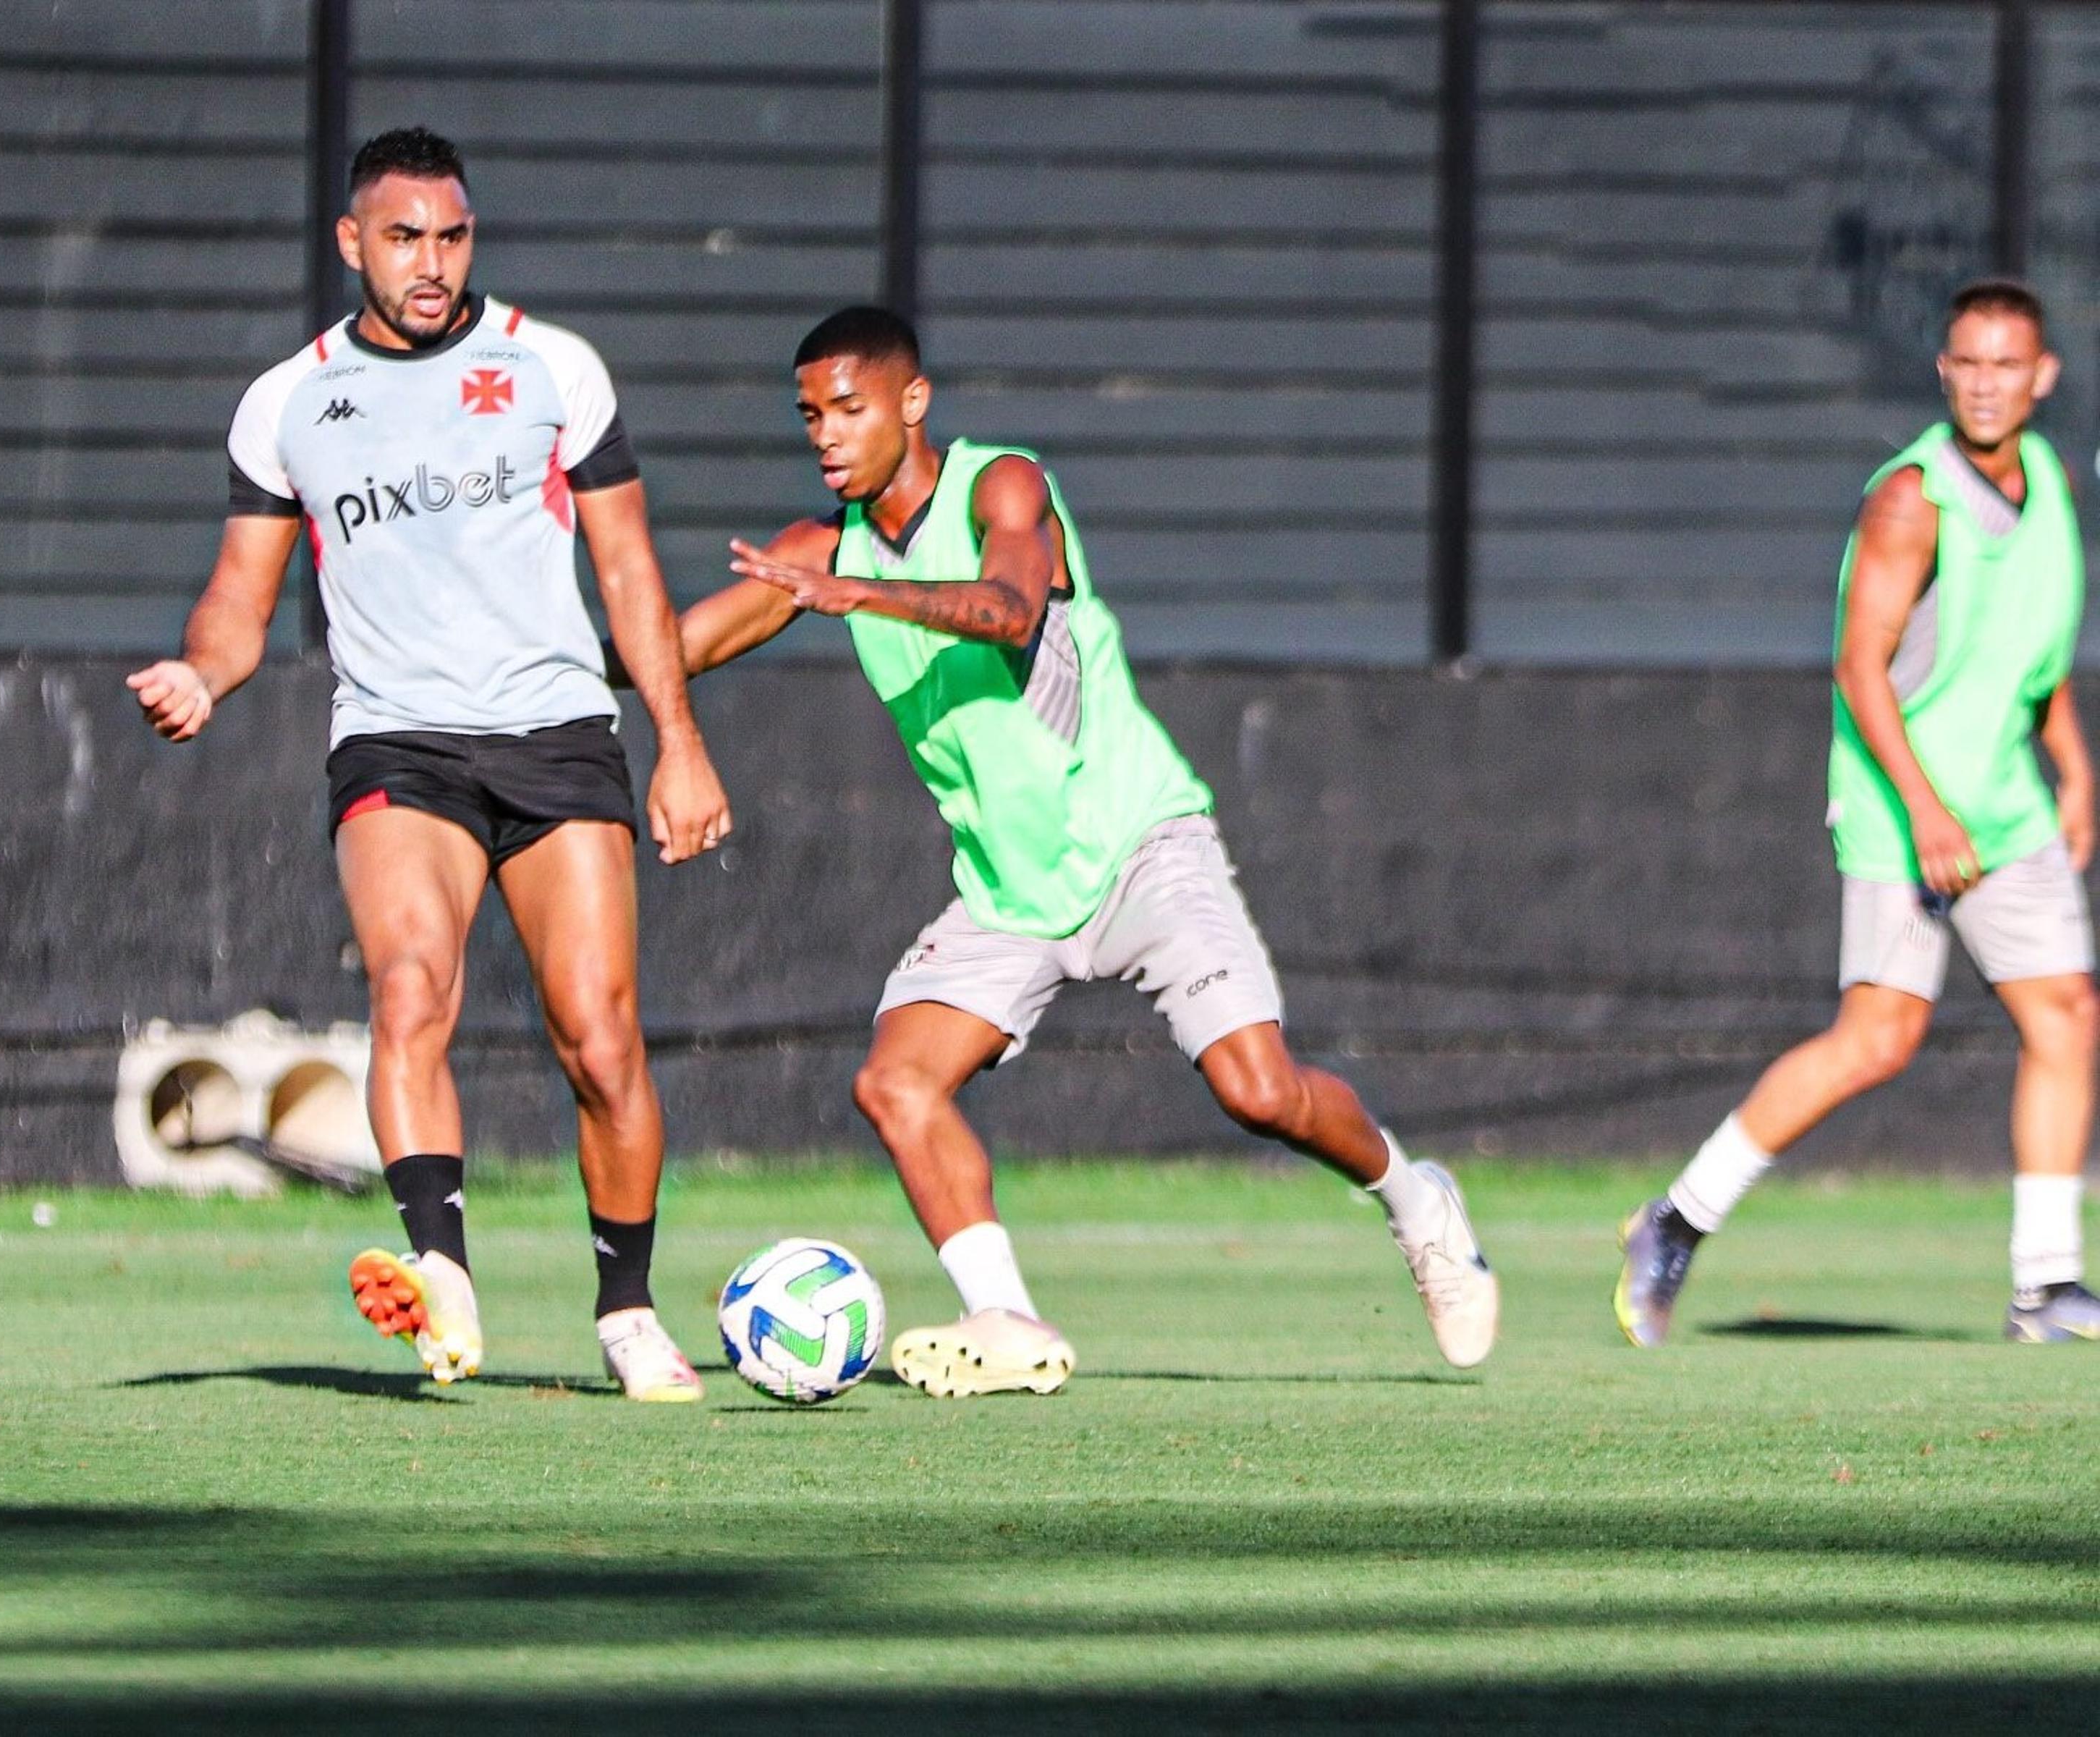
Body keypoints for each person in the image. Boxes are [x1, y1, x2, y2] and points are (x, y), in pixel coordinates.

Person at [664, 306, 1497, 1395]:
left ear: (912, 404)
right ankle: (1004, 1319)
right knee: (895, 1085)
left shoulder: (1001, 485)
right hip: (1009, 893)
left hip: (1142, 845)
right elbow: (677, 648)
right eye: (809, 415)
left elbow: (1011, 611)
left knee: (1259, 1093)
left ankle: (1416, 1201)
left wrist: (860, 594)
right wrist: (548, 660)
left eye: (849, 409)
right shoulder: (816, 552)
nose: (825, 435)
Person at [128, 127, 730, 1400]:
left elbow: (627, 572)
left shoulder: (554, 368)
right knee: (411, 987)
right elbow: (241, 596)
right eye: (404, 237)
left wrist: (679, 742)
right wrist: (204, 672)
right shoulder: (287, 402)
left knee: (602, 1039)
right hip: (398, 741)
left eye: (452, 236)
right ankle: (441, 1274)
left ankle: (626, 1311)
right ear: (353, 242)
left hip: (559, 733)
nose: (431, 262)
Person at [1619, 279, 2100, 1346]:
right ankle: (1678, 1218)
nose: (1985, 384)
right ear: (1944, 371)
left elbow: (2033, 655)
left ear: (2042, 377)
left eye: (2005, 365)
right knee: (1878, 1040)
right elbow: (1859, 670)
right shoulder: (1910, 500)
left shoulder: (2054, 486)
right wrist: (1926, 816)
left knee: (2066, 1015)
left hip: (2006, 807)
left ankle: (2046, 1286)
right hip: (1903, 809)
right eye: (1966, 364)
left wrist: (2074, 766)